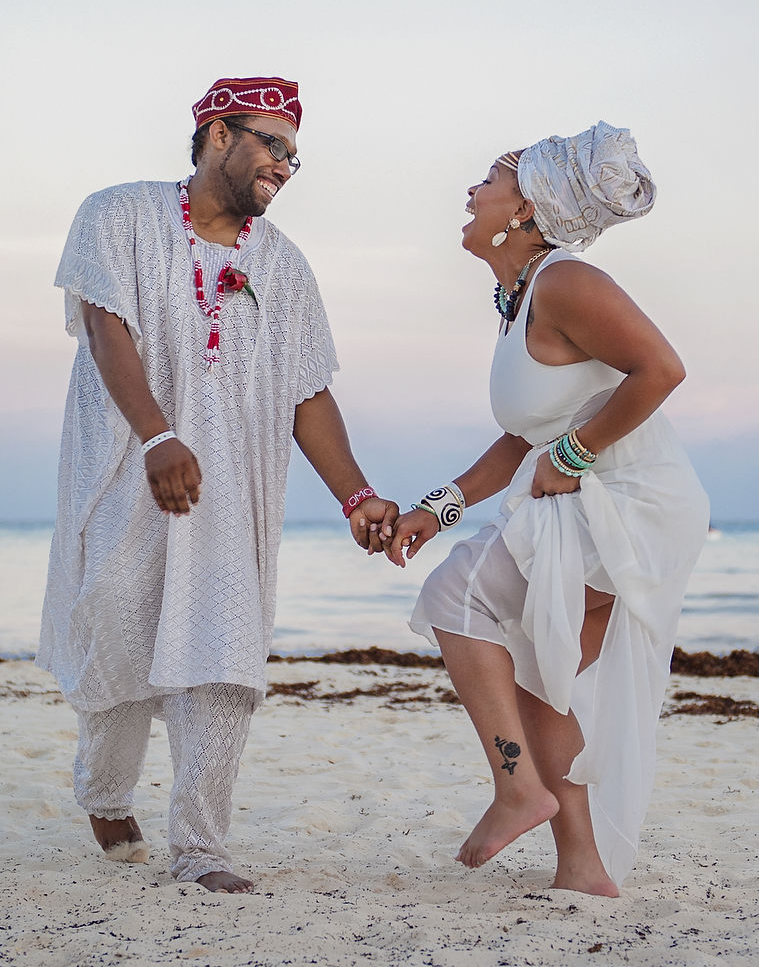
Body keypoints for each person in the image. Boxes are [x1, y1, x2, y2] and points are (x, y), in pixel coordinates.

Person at [37, 76, 399, 893]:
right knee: (118, 643)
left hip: (231, 497)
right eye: (272, 144)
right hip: (124, 475)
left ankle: (202, 849)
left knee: (224, 661)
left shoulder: (286, 266)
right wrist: (158, 435)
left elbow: (307, 389)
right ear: (215, 134)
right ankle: (103, 790)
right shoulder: (118, 215)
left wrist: (356, 495)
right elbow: (105, 324)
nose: (284, 166)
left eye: (294, 157)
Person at [388, 122, 710, 897]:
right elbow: (520, 437)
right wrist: (439, 508)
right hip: (586, 496)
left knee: (455, 598)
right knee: (538, 676)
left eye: (489, 181)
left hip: (628, 505)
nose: (471, 192)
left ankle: (516, 791)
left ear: (526, 211)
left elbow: (661, 369)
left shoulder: (567, 282)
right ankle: (584, 869)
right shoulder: (520, 297)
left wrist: (572, 457)